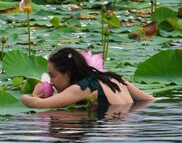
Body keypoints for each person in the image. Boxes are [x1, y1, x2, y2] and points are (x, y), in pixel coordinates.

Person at [21, 47, 155, 116]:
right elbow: (149, 100)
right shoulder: (114, 79)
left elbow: (38, 104)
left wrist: (26, 96)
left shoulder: (81, 88)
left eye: (53, 76)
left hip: (105, 135)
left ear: (67, 74)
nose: (51, 82)